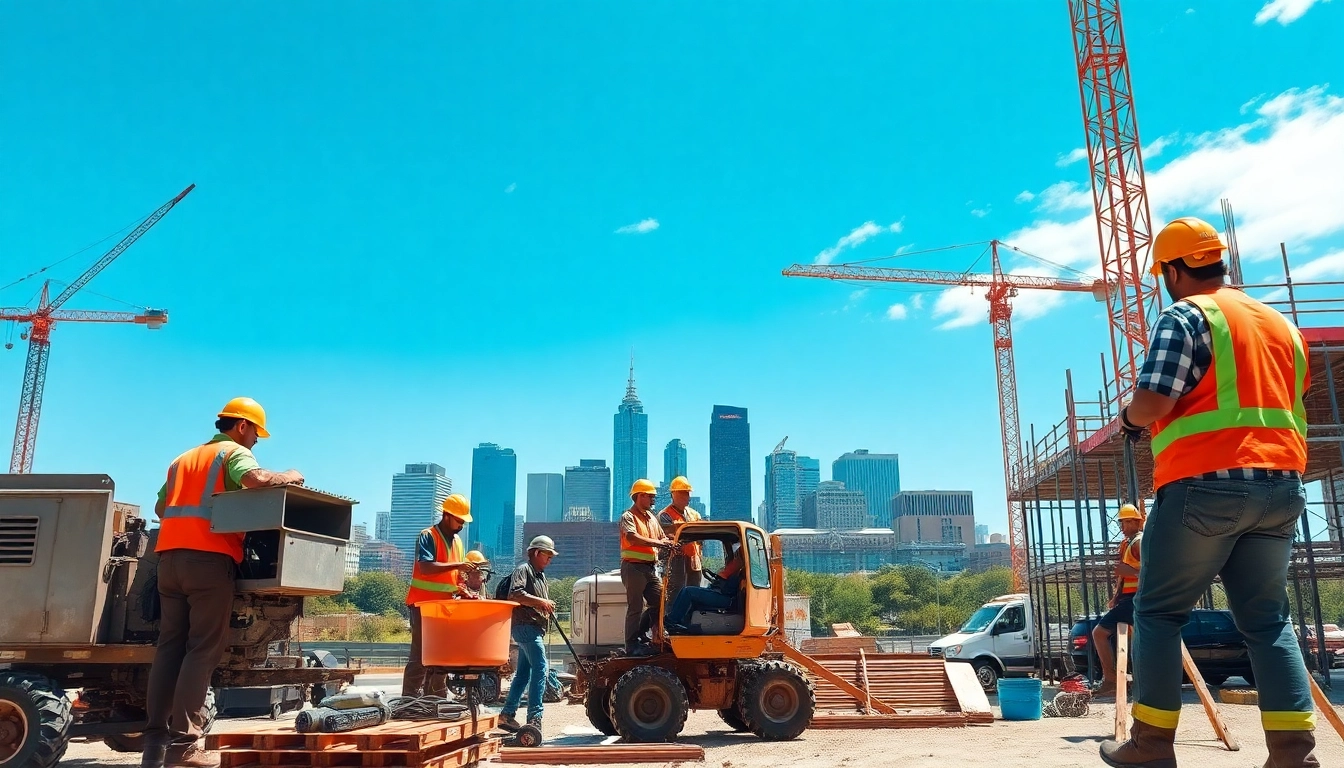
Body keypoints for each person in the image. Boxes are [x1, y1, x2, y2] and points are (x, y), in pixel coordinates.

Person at [1100, 217, 1318, 768]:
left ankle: (1151, 744)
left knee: (1158, 611)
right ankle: (1293, 754)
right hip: (1282, 488)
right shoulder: (1281, 326)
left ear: (1173, 270)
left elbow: (1153, 401)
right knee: (1268, 622)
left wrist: (1128, 418)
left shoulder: (1188, 315)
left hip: (1205, 486)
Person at [142, 398, 304, 768]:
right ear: (242, 426)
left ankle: (154, 749)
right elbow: (257, 479)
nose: (256, 443)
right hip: (209, 561)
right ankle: (184, 746)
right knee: (202, 650)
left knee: (169, 649)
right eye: (256, 435)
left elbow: (161, 509)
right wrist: (291, 475)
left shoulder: (182, 459)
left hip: (169, 561)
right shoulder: (231, 453)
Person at [402, 494, 478, 698]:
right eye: (459, 520)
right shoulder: (427, 536)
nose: (462, 524)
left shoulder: (458, 542)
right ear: (447, 515)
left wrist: (463, 589)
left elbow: (455, 576)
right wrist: (458, 565)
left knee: (442, 654)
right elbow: (426, 567)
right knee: (420, 655)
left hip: (445, 606)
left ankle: (435, 698)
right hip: (423, 605)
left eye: (463, 521)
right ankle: (409, 700)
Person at [497, 536, 558, 734]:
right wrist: (541, 602)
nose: (550, 560)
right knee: (541, 668)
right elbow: (516, 594)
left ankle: (507, 715)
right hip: (525, 627)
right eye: (547, 555)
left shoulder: (540, 575)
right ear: (537, 553)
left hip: (533, 628)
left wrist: (545, 606)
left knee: (523, 674)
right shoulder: (524, 569)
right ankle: (535, 717)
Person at [1091, 504, 1144, 698]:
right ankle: (1124, 679)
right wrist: (1116, 597)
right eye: (1121, 522)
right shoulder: (1129, 543)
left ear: (1135, 522)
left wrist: (1132, 572)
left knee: (1099, 633)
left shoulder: (1139, 542)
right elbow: (1124, 575)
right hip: (1128, 599)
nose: (1122, 526)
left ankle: (1111, 680)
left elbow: (1153, 570)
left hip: (1134, 599)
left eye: (1125, 522)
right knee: (1135, 642)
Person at [619, 478, 670, 655]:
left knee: (660, 600)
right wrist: (660, 543)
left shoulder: (652, 519)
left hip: (649, 568)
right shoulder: (628, 517)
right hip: (633, 568)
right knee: (635, 607)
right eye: (650, 496)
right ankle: (631, 645)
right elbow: (632, 537)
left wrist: (670, 544)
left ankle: (643, 635)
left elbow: (662, 538)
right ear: (640, 496)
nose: (653, 500)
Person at [666, 545, 743, 631]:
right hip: (720, 593)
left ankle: (672, 621)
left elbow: (725, 585)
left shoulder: (738, 571)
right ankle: (682, 622)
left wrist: (723, 575)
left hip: (725, 599)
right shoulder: (735, 570)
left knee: (688, 591)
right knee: (687, 592)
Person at [657, 476, 703, 611]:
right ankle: (672, 620)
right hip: (675, 560)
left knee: (694, 591)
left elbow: (701, 534)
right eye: (683, 493)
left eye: (688, 493)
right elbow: (667, 536)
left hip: (694, 560)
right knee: (675, 592)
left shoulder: (694, 514)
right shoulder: (665, 515)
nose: (687, 496)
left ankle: (691, 619)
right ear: (674, 494)